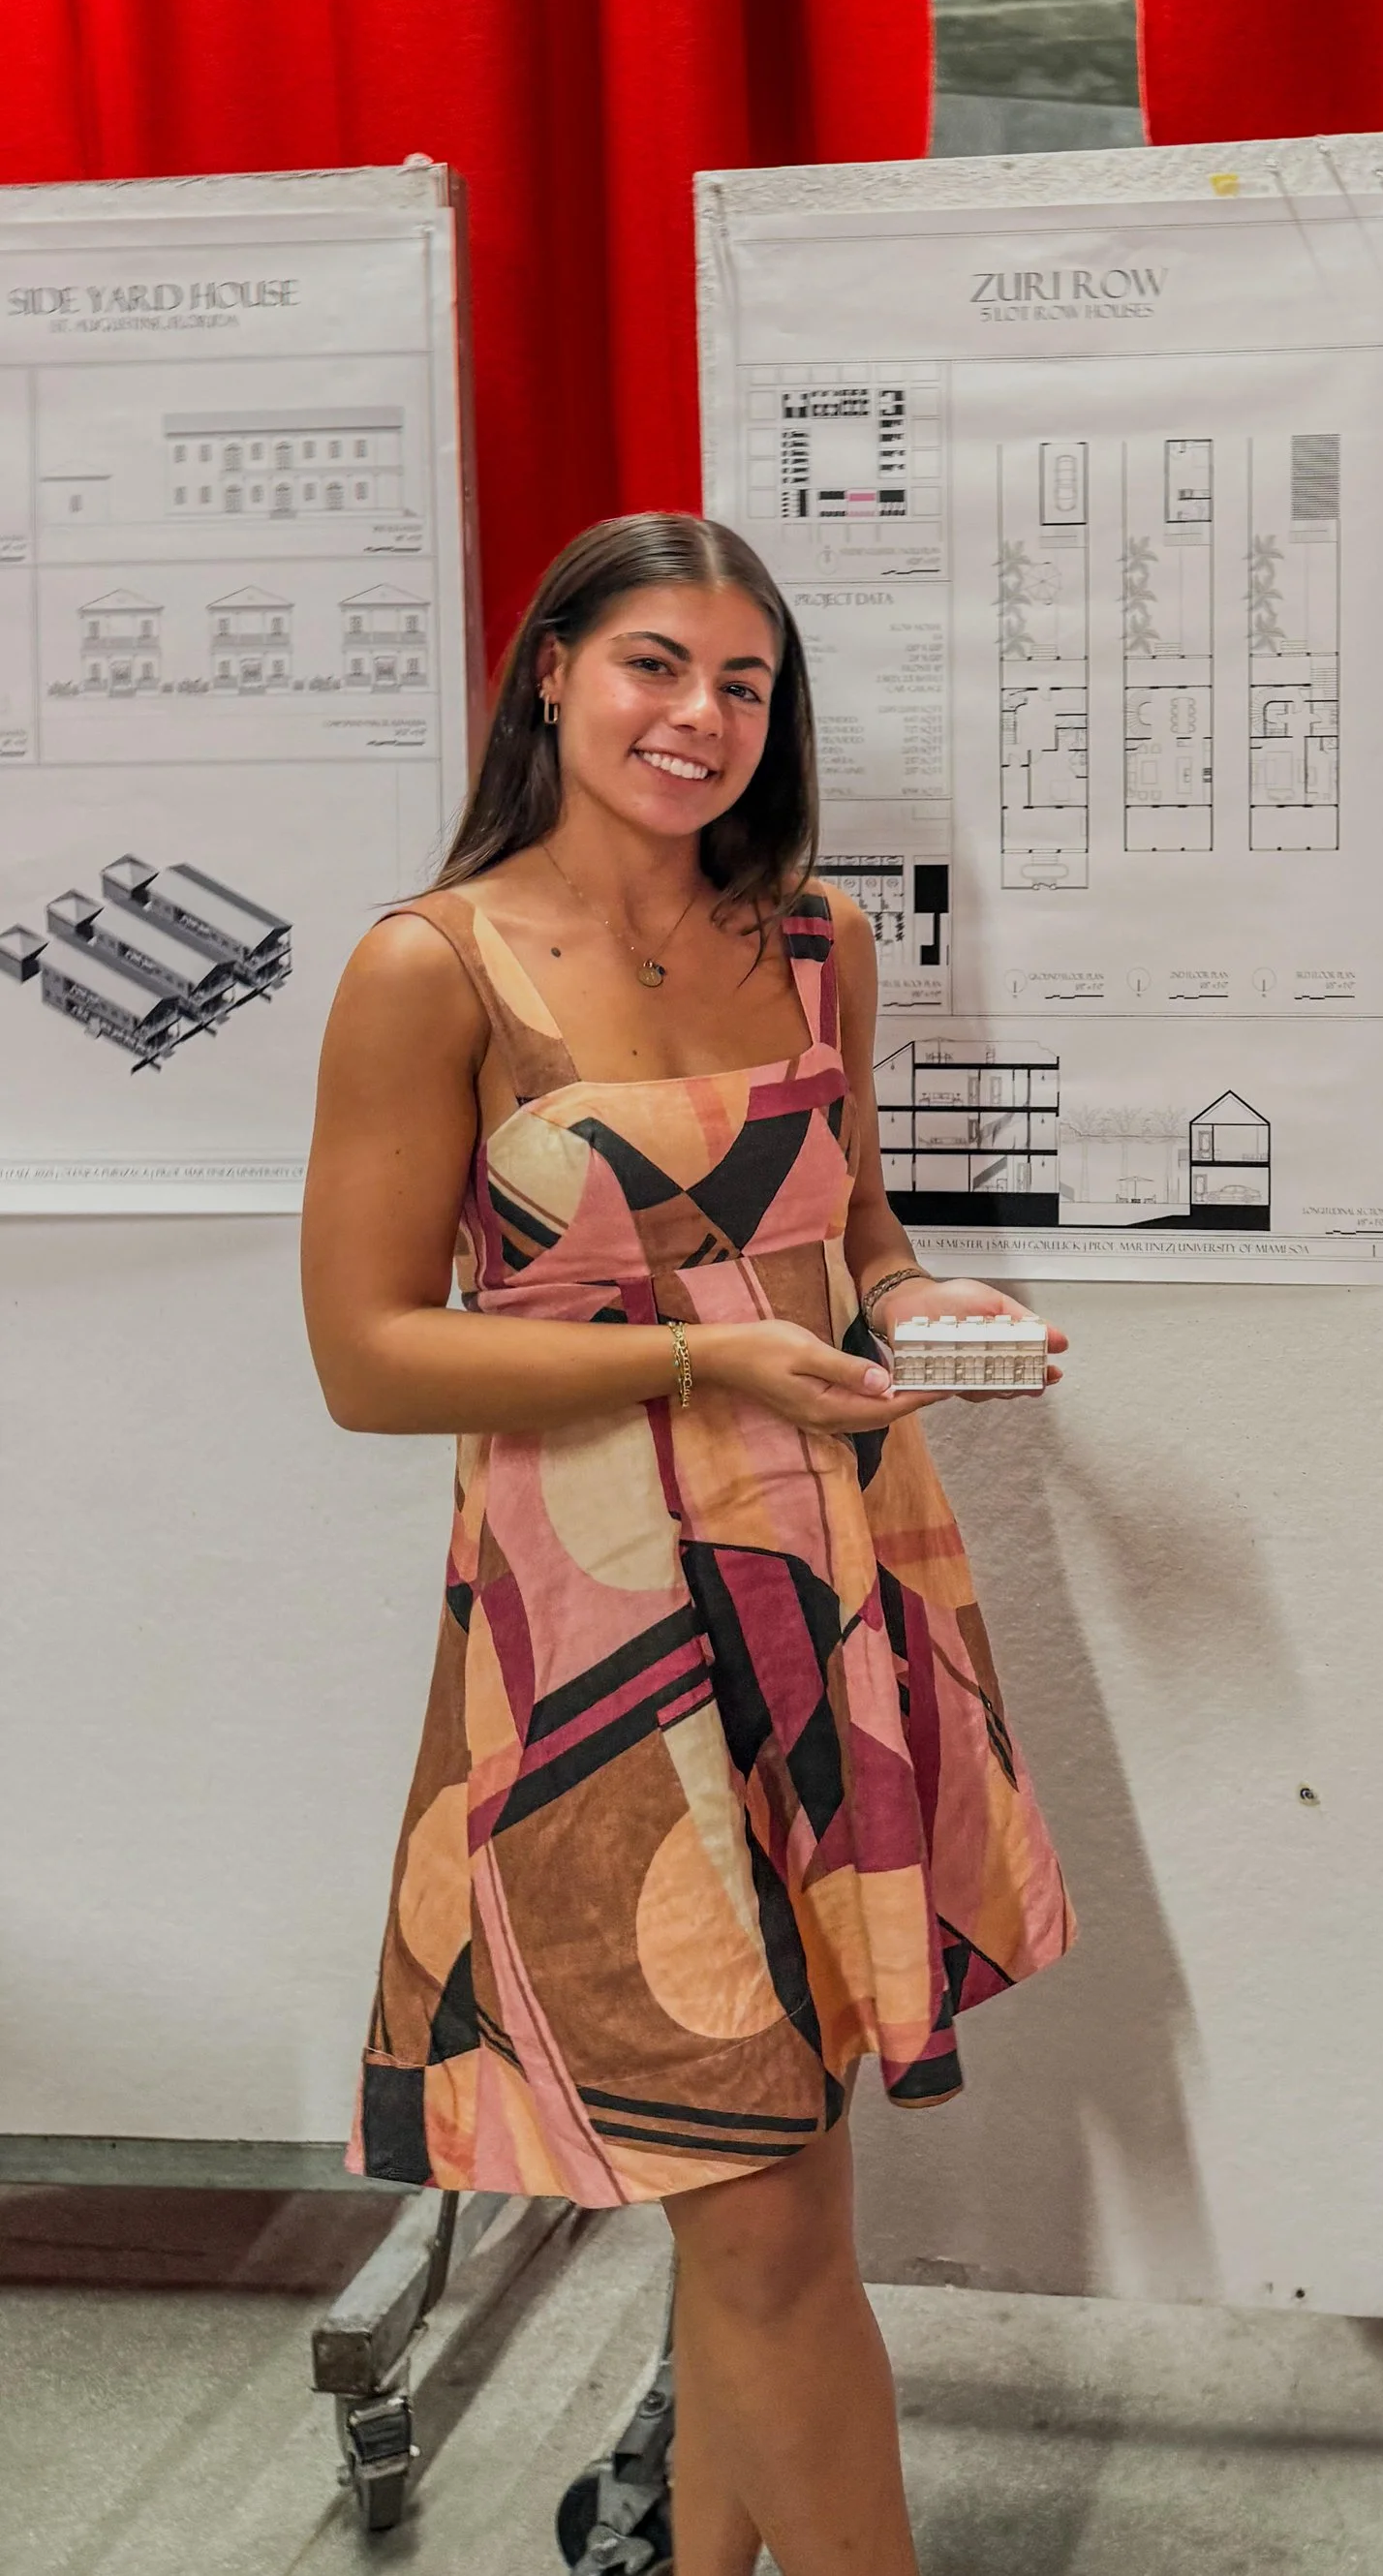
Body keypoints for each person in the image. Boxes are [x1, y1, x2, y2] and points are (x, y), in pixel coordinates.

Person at [301, 511, 1073, 2575]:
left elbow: (858, 1230)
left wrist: (920, 1304)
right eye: (655, 663)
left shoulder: (812, 936)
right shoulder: (431, 964)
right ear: (551, 670)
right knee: (768, 2223)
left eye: (744, 681)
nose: (700, 715)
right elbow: (368, 1357)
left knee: (778, 2197)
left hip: (833, 1582)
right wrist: (705, 1360)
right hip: (595, 1628)